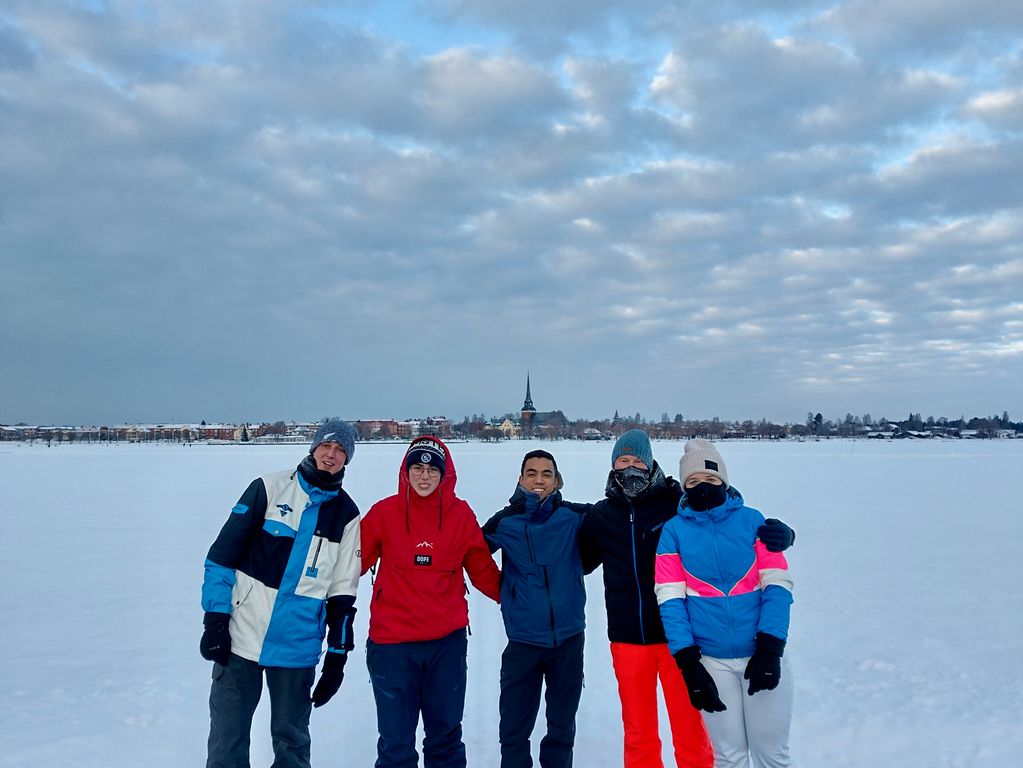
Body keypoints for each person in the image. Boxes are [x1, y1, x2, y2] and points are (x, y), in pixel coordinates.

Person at [579, 429, 795, 768]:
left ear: (650, 463)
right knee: (638, 732)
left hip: (679, 639)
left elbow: (718, 513)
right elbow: (579, 559)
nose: (631, 466)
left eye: (638, 459)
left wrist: (780, 533)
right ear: (613, 465)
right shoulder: (600, 516)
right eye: (624, 460)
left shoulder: (676, 504)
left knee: (691, 730)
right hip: (627, 638)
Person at [199, 418, 361, 768]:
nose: (331, 455)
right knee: (228, 739)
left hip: (296, 649)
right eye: (326, 446)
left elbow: (343, 597)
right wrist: (214, 621)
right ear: (314, 447)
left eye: (340, 450)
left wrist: (337, 655)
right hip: (240, 639)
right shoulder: (268, 489)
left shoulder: (347, 517)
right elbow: (220, 559)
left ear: (347, 459)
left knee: (292, 743)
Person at [360, 435, 502, 768]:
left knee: (445, 738)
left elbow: (482, 571)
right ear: (405, 472)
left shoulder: (460, 514)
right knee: (396, 743)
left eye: (432, 470)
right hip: (392, 646)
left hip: (445, 646)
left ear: (444, 474)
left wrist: (521, 601)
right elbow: (349, 566)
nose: (424, 476)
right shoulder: (384, 513)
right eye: (417, 468)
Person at [655, 439, 794, 768]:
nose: (702, 486)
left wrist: (770, 649)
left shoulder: (752, 521)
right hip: (712, 662)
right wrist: (689, 665)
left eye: (711, 479)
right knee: (728, 757)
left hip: (760, 654)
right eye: (692, 482)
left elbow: (778, 585)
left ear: (724, 482)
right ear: (684, 488)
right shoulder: (673, 532)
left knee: (771, 754)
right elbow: (670, 599)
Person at [482, 450, 588, 768]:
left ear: (557, 481)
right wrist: (504, 592)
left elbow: (618, 523)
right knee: (514, 728)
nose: (538, 479)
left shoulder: (575, 517)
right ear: (521, 479)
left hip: (568, 640)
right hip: (523, 642)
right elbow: (468, 554)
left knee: (561, 726)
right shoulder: (505, 522)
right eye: (531, 473)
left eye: (546, 473)